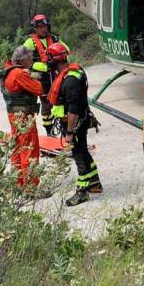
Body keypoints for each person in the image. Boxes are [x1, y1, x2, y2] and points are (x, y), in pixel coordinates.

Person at [45, 42, 102, 206]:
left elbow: (73, 110)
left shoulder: (70, 80)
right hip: (76, 121)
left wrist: (70, 132)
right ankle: (95, 183)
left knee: (79, 156)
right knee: (83, 151)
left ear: (54, 60)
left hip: (74, 124)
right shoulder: (71, 73)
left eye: (49, 58)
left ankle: (82, 192)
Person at [0, 46, 45, 191]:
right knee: (29, 149)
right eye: (31, 59)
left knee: (17, 149)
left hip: (13, 115)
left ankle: (18, 183)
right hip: (24, 116)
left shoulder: (7, 70)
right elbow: (39, 89)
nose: (32, 62)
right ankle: (31, 187)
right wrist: (33, 76)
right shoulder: (19, 73)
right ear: (24, 59)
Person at [23, 14, 68, 135]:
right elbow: (24, 60)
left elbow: (66, 50)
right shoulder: (29, 42)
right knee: (46, 105)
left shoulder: (54, 38)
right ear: (35, 28)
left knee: (61, 101)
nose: (43, 29)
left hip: (56, 75)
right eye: (40, 27)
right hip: (41, 78)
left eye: (45, 26)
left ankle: (64, 126)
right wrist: (43, 66)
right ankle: (49, 131)